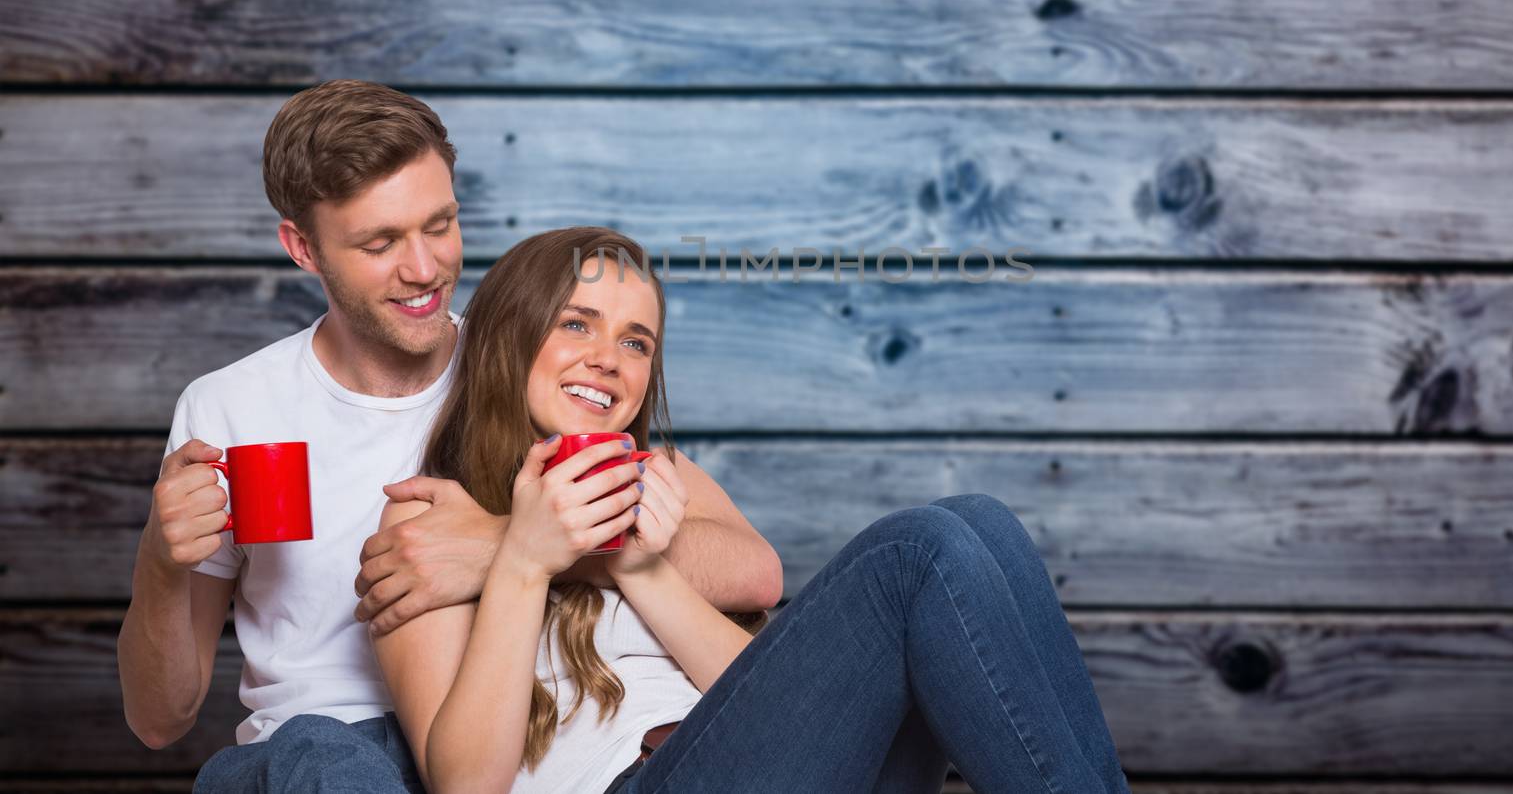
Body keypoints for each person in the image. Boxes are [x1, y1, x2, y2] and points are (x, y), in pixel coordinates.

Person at [116, 80, 782, 792]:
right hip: (320, 750)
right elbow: (160, 719)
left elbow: (740, 567)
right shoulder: (232, 408)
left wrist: (497, 548)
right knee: (321, 749)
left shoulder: (530, 365)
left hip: (497, 735)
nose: (425, 268)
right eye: (380, 242)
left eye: (440, 224)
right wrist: (161, 562)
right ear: (303, 247)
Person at [374, 226, 1132, 794]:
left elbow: (766, 685)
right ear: (508, 334)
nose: (609, 355)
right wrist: (522, 557)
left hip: (740, 763)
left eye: (637, 342)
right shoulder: (431, 522)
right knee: (919, 551)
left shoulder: (664, 478)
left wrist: (635, 564)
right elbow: (464, 786)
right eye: (577, 322)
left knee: (983, 522)